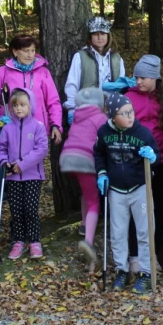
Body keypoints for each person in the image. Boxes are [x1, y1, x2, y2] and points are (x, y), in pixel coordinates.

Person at [93, 93, 158, 294]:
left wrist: (152, 157)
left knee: (145, 230)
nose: (130, 116)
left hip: (139, 187)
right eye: (124, 113)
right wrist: (102, 173)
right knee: (118, 232)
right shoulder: (104, 133)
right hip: (116, 190)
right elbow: (99, 153)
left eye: (131, 111)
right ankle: (122, 269)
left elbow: (156, 154)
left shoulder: (142, 133)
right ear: (113, 117)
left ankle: (146, 272)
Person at [125, 55, 163, 267]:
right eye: (136, 77)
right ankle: (135, 255)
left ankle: (154, 253)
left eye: (143, 78)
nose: (138, 82)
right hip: (134, 162)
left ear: (154, 77)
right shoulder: (129, 97)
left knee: (155, 207)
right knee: (136, 208)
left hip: (160, 161)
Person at [0, 87, 50, 260]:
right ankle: (18, 241)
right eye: (15, 105)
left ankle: (34, 241)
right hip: (13, 177)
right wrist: (4, 162)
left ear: (30, 105)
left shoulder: (38, 126)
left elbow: (41, 150)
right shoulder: (7, 128)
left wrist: (22, 164)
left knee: (30, 209)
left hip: (32, 176)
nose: (18, 108)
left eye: (22, 105)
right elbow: (1, 149)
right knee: (16, 210)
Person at [58, 87, 106, 272]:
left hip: (68, 158)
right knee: (94, 201)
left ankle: (85, 225)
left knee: (86, 193)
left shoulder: (77, 116)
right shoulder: (100, 118)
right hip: (86, 159)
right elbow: (104, 140)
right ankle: (88, 242)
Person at [0, 35, 63, 146]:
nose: (30, 55)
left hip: (38, 131)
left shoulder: (43, 72)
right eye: (26, 51)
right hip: (10, 133)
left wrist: (55, 125)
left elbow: (53, 102)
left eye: (33, 50)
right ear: (15, 52)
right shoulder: (2, 72)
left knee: (36, 157)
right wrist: (0, 121)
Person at [64, 16, 126, 116]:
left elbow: (122, 86)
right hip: (86, 111)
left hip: (111, 111)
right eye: (95, 34)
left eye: (103, 34)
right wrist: (71, 109)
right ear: (90, 36)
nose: (99, 37)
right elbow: (72, 84)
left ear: (108, 35)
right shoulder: (80, 57)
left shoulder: (117, 59)